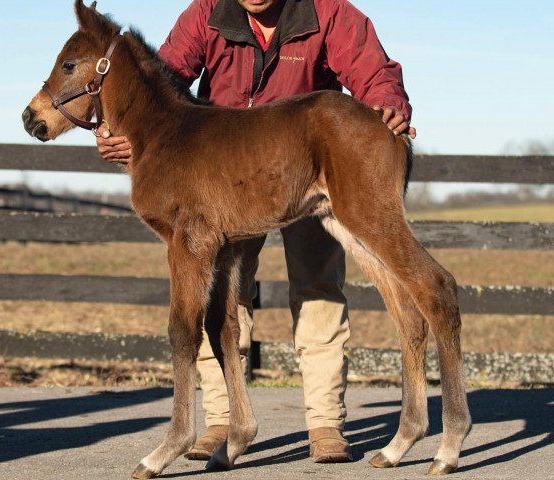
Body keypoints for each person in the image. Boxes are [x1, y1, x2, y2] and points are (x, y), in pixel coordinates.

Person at [97, 0, 415, 464]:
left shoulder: (325, 11)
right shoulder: (206, 13)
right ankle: (224, 419)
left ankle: (325, 422)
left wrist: (387, 101)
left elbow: (371, 68)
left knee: (318, 287)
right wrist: (122, 131)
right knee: (225, 295)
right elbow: (157, 81)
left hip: (303, 164)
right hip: (226, 171)